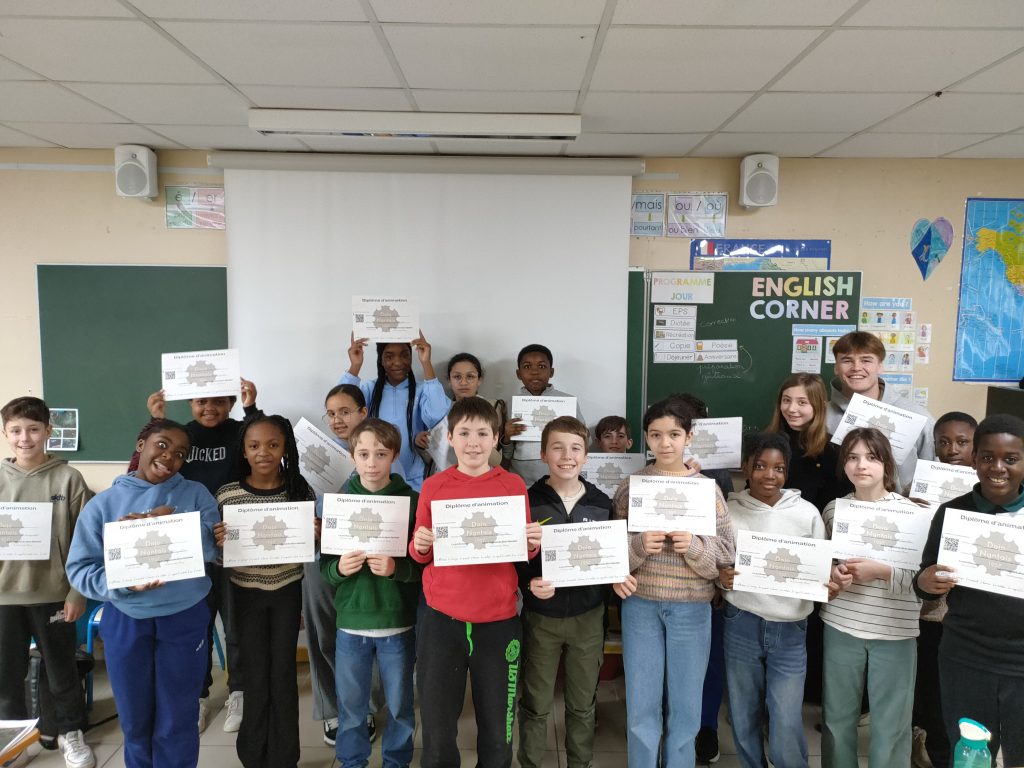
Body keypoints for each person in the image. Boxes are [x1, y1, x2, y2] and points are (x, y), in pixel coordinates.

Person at [66, 419, 219, 768]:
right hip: (126, 619)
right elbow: (80, 569)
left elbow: (214, 549)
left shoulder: (196, 494)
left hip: (184, 617)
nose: (169, 457)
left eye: (180, 454)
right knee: (135, 719)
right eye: (162, 445)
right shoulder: (103, 505)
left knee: (177, 717)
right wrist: (121, 583)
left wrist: (164, 522)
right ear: (141, 445)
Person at [410, 396, 542, 768]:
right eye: (464, 433)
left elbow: (522, 551)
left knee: (498, 731)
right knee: (437, 730)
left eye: (483, 433)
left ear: (496, 438)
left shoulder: (512, 485)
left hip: (498, 622)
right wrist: (420, 545)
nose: (473, 442)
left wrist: (532, 543)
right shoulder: (434, 486)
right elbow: (420, 554)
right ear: (450, 438)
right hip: (442, 620)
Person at [612, 397, 734, 768]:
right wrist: (637, 546)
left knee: (686, 706)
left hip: (692, 609)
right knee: (641, 704)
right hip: (641, 606)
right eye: (656, 435)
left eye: (674, 434)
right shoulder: (631, 487)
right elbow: (610, 555)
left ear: (689, 437)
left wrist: (694, 547)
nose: (665, 443)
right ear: (646, 438)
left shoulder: (707, 490)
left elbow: (726, 555)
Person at [133, 380, 260, 733]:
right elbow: (143, 472)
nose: (210, 407)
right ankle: (198, 695)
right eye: (202, 400)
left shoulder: (241, 432)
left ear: (231, 403)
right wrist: (157, 421)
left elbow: (264, 443)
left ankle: (239, 691)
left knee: (236, 624)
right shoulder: (180, 437)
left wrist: (251, 408)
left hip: (234, 540)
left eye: (219, 401)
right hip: (186, 545)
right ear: (189, 401)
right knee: (196, 626)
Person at [915, 414, 1024, 766]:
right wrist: (926, 583)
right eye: (988, 457)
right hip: (966, 658)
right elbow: (926, 582)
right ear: (974, 459)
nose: (998, 468)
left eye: (1011, 459)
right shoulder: (952, 513)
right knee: (970, 754)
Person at [718, 432, 827, 768]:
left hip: (791, 627)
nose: (769, 475)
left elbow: (820, 570)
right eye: (760, 466)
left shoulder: (807, 514)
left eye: (778, 468)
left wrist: (825, 583)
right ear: (746, 467)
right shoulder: (728, 512)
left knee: (785, 713)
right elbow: (718, 561)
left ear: (787, 472)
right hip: (742, 620)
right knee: (743, 709)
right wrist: (721, 576)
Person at [214, 414, 316, 768]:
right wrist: (219, 541)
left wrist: (316, 534)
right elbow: (219, 554)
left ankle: (285, 757)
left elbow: (309, 548)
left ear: (285, 448)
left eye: (273, 445)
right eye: (254, 445)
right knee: (253, 674)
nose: (263, 453)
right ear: (243, 450)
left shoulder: (299, 491)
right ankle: (253, 755)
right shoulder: (227, 495)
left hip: (287, 591)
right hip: (244, 595)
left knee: (283, 673)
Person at [320, 418, 421, 768]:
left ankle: (396, 762)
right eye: (363, 454)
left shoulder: (412, 503)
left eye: (381, 454)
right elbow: (325, 567)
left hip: (398, 625)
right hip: (351, 625)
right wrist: (338, 569)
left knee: (401, 707)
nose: (372, 462)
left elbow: (424, 567)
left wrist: (398, 569)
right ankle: (352, 762)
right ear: (352, 456)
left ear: (394, 455)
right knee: (351, 709)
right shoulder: (340, 504)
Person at [0, 397, 95, 768]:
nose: (25, 438)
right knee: (7, 675)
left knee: (61, 670)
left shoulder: (68, 479)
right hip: (4, 598)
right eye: (16, 431)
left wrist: (77, 591)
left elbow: (85, 542)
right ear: (5, 434)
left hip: (55, 595)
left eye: (33, 429)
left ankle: (70, 733)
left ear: (48, 431)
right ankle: (14, 740)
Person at [820, 428, 923, 768]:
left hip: (894, 631)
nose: (861, 465)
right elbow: (823, 567)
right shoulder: (834, 510)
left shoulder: (912, 514)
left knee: (892, 723)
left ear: (887, 464)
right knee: (837, 717)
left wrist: (882, 571)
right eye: (852, 457)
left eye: (871, 457)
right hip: (841, 625)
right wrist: (833, 575)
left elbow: (923, 582)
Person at [516, 416, 612, 768]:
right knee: (536, 702)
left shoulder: (602, 503)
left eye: (575, 448)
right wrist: (528, 583)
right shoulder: (527, 501)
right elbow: (514, 559)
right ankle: (530, 761)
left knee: (582, 703)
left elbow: (610, 559)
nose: (567, 456)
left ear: (586, 456)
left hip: (589, 618)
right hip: (542, 618)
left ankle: (580, 762)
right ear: (543, 454)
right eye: (557, 448)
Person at [911, 412, 977, 768]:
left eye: (962, 442)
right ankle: (930, 748)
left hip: (973, 615)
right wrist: (910, 508)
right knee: (932, 690)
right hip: (931, 612)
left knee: (968, 695)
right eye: (944, 442)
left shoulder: (991, 489)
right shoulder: (919, 487)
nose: (952, 449)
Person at [825, 332, 934, 492]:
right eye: (847, 360)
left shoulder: (918, 416)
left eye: (866, 360)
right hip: (838, 504)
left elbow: (933, 469)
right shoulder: (821, 417)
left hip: (903, 505)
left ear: (881, 366)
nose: (856, 367)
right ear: (836, 367)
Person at [341, 332, 450, 491]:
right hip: (375, 478)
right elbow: (342, 407)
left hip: (414, 479)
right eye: (389, 356)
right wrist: (355, 366)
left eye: (404, 355)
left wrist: (426, 363)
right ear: (381, 360)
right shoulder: (370, 389)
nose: (397, 362)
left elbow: (437, 415)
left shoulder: (422, 389)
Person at [501, 344, 586, 486]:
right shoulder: (511, 404)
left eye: (541, 366)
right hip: (522, 478)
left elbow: (585, 440)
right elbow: (507, 453)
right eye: (527, 366)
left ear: (551, 372)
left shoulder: (567, 402)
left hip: (559, 475)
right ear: (518, 374)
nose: (535, 372)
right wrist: (507, 437)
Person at [767, 373, 848, 513]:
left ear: (819, 405)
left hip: (813, 522)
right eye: (786, 400)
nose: (791, 408)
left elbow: (835, 500)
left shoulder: (832, 450)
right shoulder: (766, 442)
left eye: (802, 402)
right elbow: (753, 489)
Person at [415, 353, 506, 473]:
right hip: (445, 476)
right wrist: (422, 445)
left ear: (479, 380)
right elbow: (433, 459)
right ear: (449, 380)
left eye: (470, 376)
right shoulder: (439, 410)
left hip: (479, 477)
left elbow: (497, 460)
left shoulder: (492, 407)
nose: (463, 382)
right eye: (457, 377)